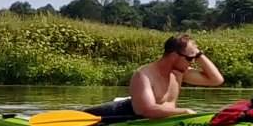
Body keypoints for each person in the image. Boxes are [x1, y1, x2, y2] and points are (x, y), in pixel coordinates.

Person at [85, 34, 224, 120]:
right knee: (84, 115)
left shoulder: (180, 72)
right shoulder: (144, 75)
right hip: (121, 114)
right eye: (190, 58)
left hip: (163, 121)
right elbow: (146, 110)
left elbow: (216, 80)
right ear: (174, 56)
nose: (193, 62)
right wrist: (185, 111)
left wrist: (199, 54)